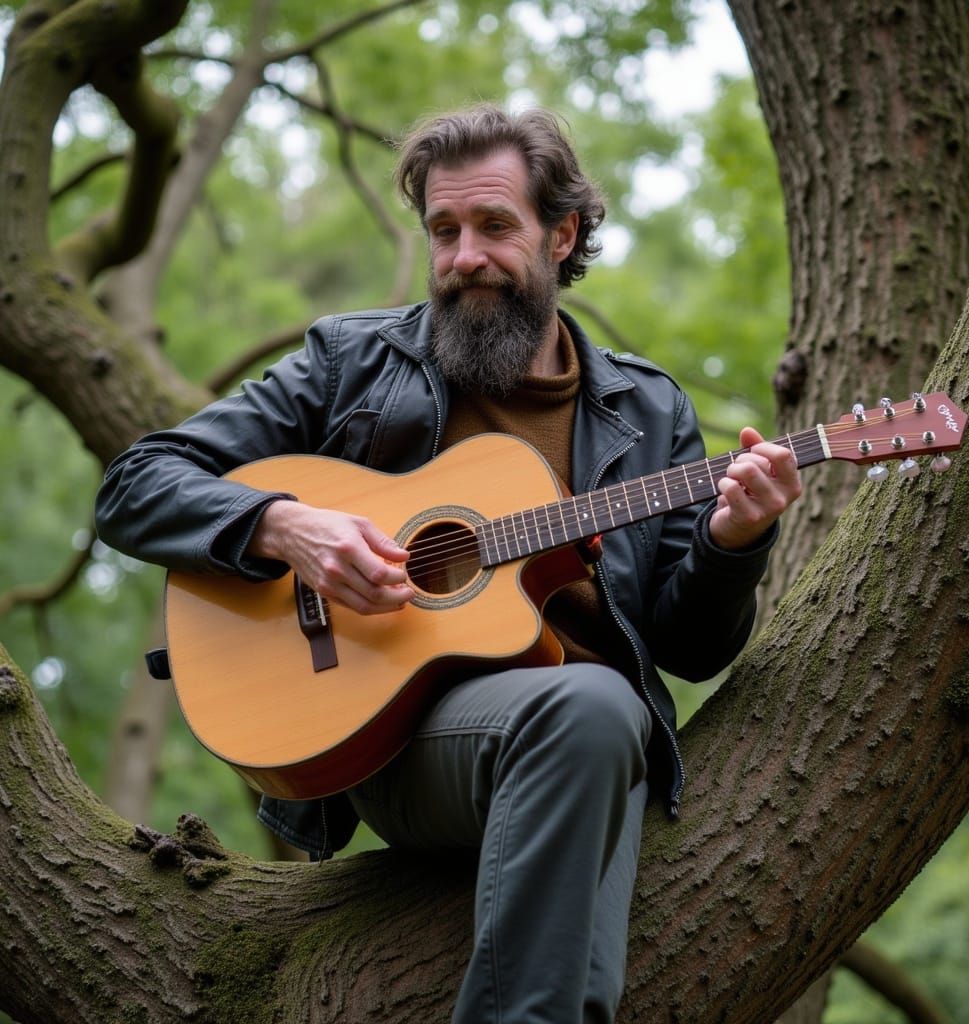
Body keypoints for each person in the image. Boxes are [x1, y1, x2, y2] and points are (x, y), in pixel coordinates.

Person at [95, 103, 802, 1023]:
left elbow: (690, 646)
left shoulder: (649, 411)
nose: (464, 255)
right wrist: (286, 528)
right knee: (593, 707)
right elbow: (136, 483)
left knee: (598, 752)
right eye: (444, 229)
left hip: (593, 752)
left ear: (563, 234)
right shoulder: (351, 360)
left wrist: (732, 543)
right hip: (388, 732)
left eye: (495, 226)